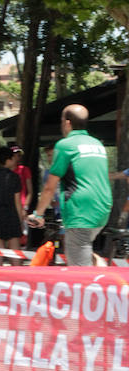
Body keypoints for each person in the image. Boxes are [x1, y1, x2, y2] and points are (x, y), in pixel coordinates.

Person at [28, 104, 112, 265]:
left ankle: (103, 284)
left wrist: (38, 215)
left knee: (79, 269)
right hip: (102, 208)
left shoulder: (66, 145)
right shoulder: (97, 144)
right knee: (83, 248)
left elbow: (49, 187)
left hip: (81, 210)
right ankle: (100, 267)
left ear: (67, 123)